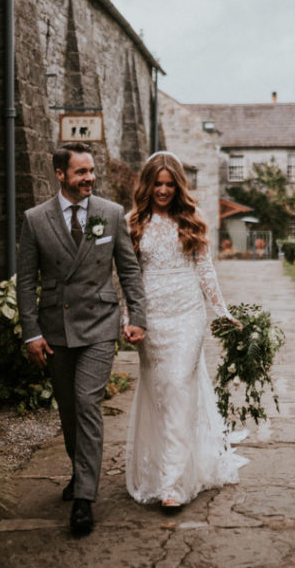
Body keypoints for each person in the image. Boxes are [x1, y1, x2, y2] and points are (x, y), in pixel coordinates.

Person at [16, 142, 147, 536]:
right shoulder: (36, 219)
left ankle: (85, 499)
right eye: (80, 172)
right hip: (56, 328)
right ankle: (81, 470)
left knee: (88, 403)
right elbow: (25, 281)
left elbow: (129, 269)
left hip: (99, 325)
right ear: (60, 175)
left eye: (91, 171)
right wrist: (31, 332)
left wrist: (136, 315)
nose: (89, 177)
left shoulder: (110, 213)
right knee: (68, 407)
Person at [124, 151, 247, 509]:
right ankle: (159, 470)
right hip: (151, 317)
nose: (163, 190)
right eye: (157, 184)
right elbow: (126, 276)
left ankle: (174, 485)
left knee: (178, 384)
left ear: (179, 186)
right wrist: (128, 318)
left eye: (169, 184)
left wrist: (221, 310)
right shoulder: (133, 221)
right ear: (148, 184)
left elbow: (205, 269)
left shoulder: (192, 218)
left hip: (188, 314)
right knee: (160, 393)